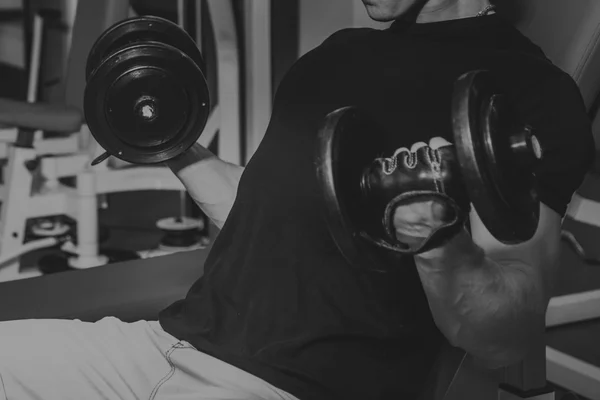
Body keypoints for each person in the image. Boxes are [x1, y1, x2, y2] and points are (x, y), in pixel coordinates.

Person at [0, 0, 595, 399]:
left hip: (276, 387)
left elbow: (505, 337)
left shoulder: (527, 91)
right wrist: (173, 149)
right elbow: (265, 220)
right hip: (159, 346)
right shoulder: (332, 56)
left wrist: (436, 240)